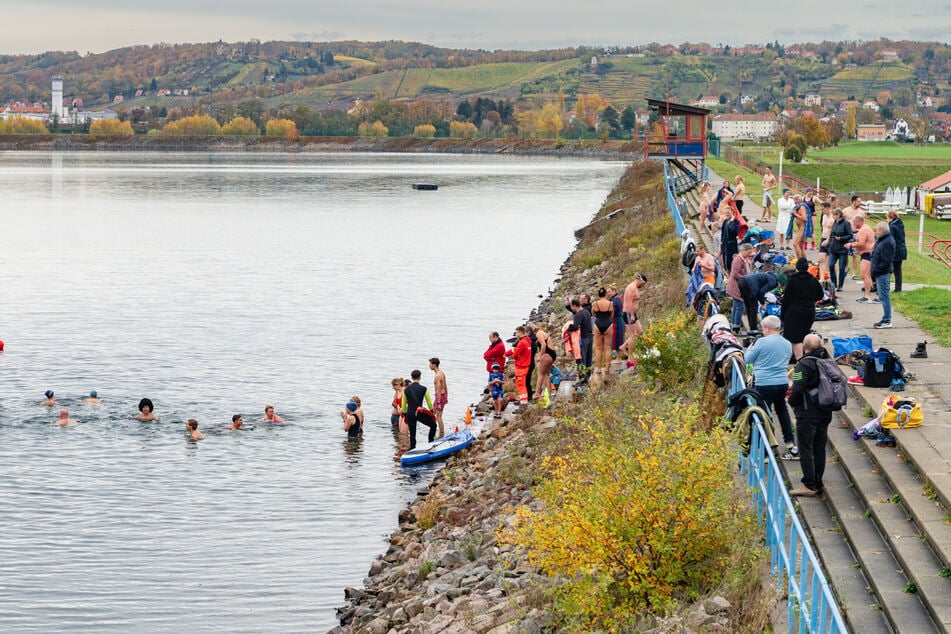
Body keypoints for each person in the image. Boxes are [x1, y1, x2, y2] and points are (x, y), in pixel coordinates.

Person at [744, 315, 797, 460]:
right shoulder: (787, 343)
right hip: (781, 382)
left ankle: (768, 451)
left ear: (767, 328)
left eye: (762, 328)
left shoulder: (761, 342)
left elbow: (748, 359)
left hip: (763, 383)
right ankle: (789, 441)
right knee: (782, 411)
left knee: (765, 416)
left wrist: (749, 349)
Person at [787, 334, 834, 496]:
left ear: (805, 347)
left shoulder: (803, 365)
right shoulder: (828, 361)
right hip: (825, 411)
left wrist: (792, 401)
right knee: (819, 447)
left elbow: (798, 386)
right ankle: (818, 481)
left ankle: (809, 484)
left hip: (807, 413)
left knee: (806, 448)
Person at [781, 258, 824, 360]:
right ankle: (804, 359)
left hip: (794, 312)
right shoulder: (813, 280)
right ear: (807, 267)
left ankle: (800, 361)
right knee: (803, 335)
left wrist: (783, 315)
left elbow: (786, 299)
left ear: (796, 268)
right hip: (809, 311)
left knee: (795, 338)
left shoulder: (792, 280)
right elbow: (820, 295)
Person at [870, 221, 896, 329]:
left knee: (884, 297)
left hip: (883, 273)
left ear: (881, 230)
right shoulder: (882, 240)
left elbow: (886, 260)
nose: (875, 232)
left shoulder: (887, 242)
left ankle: (887, 320)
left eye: (876, 230)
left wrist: (877, 270)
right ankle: (885, 318)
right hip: (879, 272)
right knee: (882, 296)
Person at [401, 369, 435, 449]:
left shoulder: (406, 389)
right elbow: (429, 402)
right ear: (420, 377)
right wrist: (431, 412)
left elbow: (403, 404)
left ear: (411, 378)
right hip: (419, 412)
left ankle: (412, 449)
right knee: (433, 425)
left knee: (412, 433)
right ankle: (431, 442)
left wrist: (405, 414)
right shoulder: (424, 389)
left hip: (410, 413)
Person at [726, 243, 755, 331]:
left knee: (736, 306)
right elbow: (734, 273)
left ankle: (733, 324)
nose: (749, 254)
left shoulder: (745, 259)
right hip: (736, 286)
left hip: (741, 285)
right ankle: (736, 325)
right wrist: (745, 279)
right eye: (748, 252)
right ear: (743, 251)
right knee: (739, 306)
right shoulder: (738, 260)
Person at [846, 214, 874, 303]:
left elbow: (861, 243)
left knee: (864, 275)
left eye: (854, 223)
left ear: (858, 222)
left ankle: (867, 296)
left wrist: (850, 245)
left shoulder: (863, 230)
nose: (853, 225)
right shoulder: (866, 228)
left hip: (867, 254)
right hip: (867, 253)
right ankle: (867, 295)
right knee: (867, 275)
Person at [620, 274, 647, 360]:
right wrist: (632, 315)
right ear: (640, 281)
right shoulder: (632, 288)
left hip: (632, 313)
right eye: (643, 284)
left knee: (640, 331)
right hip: (628, 313)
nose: (643, 286)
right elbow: (629, 303)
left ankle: (623, 346)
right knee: (632, 335)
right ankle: (630, 356)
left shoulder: (634, 287)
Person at [567, 298, 593, 382]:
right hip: (590, 337)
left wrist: (569, 329)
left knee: (581, 358)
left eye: (572, 307)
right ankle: (588, 376)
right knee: (589, 357)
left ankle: (583, 378)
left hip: (583, 338)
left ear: (574, 306)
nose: (572, 309)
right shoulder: (586, 312)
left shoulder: (578, 315)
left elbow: (575, 326)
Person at [826, 208, 852, 291]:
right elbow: (831, 234)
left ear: (838, 215)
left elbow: (850, 235)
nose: (833, 217)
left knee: (841, 268)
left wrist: (841, 238)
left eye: (834, 215)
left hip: (842, 248)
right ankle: (834, 283)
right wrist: (829, 244)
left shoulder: (846, 223)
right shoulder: (835, 223)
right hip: (833, 248)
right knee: (831, 265)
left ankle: (840, 285)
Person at [590, 288, 614, 376]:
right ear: (605, 294)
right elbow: (612, 315)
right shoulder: (610, 303)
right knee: (607, 347)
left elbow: (593, 314)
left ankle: (599, 368)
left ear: (598, 295)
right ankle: (607, 368)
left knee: (598, 348)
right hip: (608, 323)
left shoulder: (595, 303)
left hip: (598, 323)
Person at [505, 326, 532, 403]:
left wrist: (513, 354)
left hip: (521, 367)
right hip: (526, 365)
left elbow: (515, 355)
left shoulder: (522, 342)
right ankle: (524, 401)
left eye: (516, 333)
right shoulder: (527, 340)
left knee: (520, 385)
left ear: (520, 333)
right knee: (523, 384)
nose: (516, 334)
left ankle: (523, 403)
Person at [533, 326, 557, 400]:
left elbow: (543, 345)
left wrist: (540, 356)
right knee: (545, 374)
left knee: (540, 374)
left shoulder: (538, 333)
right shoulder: (544, 333)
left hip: (547, 354)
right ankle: (548, 392)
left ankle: (537, 393)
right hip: (552, 355)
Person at [887, 209, 907, 293]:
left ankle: (886, 287)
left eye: (887, 218)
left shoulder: (892, 226)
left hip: (895, 251)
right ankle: (898, 288)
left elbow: (890, 239)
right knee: (898, 270)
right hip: (902, 249)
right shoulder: (900, 224)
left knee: (888, 270)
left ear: (890, 217)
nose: (886, 220)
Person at [719, 199, 740, 272]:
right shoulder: (725, 221)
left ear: (732, 212)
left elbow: (734, 231)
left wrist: (731, 222)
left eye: (728, 212)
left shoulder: (736, 222)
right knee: (725, 262)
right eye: (726, 213)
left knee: (731, 262)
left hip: (732, 245)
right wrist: (721, 243)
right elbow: (723, 233)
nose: (727, 214)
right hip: (725, 245)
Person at [429, 358, 448, 437]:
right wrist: (446, 397)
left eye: (430, 364)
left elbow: (439, 389)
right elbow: (445, 386)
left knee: (439, 416)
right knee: (433, 414)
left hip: (439, 396)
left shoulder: (437, 376)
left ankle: (441, 434)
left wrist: (439, 402)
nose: (429, 366)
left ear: (434, 365)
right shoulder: (442, 373)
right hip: (442, 395)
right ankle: (434, 430)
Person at [817, 202, 834, 280]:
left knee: (831, 261)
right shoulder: (823, 216)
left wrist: (828, 240)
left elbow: (833, 230)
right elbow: (823, 228)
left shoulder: (833, 217)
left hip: (830, 240)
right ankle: (822, 277)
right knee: (821, 259)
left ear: (827, 208)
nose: (822, 211)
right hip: (823, 238)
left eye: (823, 209)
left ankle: (833, 276)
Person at [608, 285, 625, 355]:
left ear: (614, 291)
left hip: (618, 321)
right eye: (607, 292)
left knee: (618, 338)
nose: (608, 293)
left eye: (609, 291)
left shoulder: (617, 299)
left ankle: (619, 357)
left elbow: (616, 310)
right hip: (614, 321)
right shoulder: (611, 299)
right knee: (615, 339)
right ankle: (617, 356)